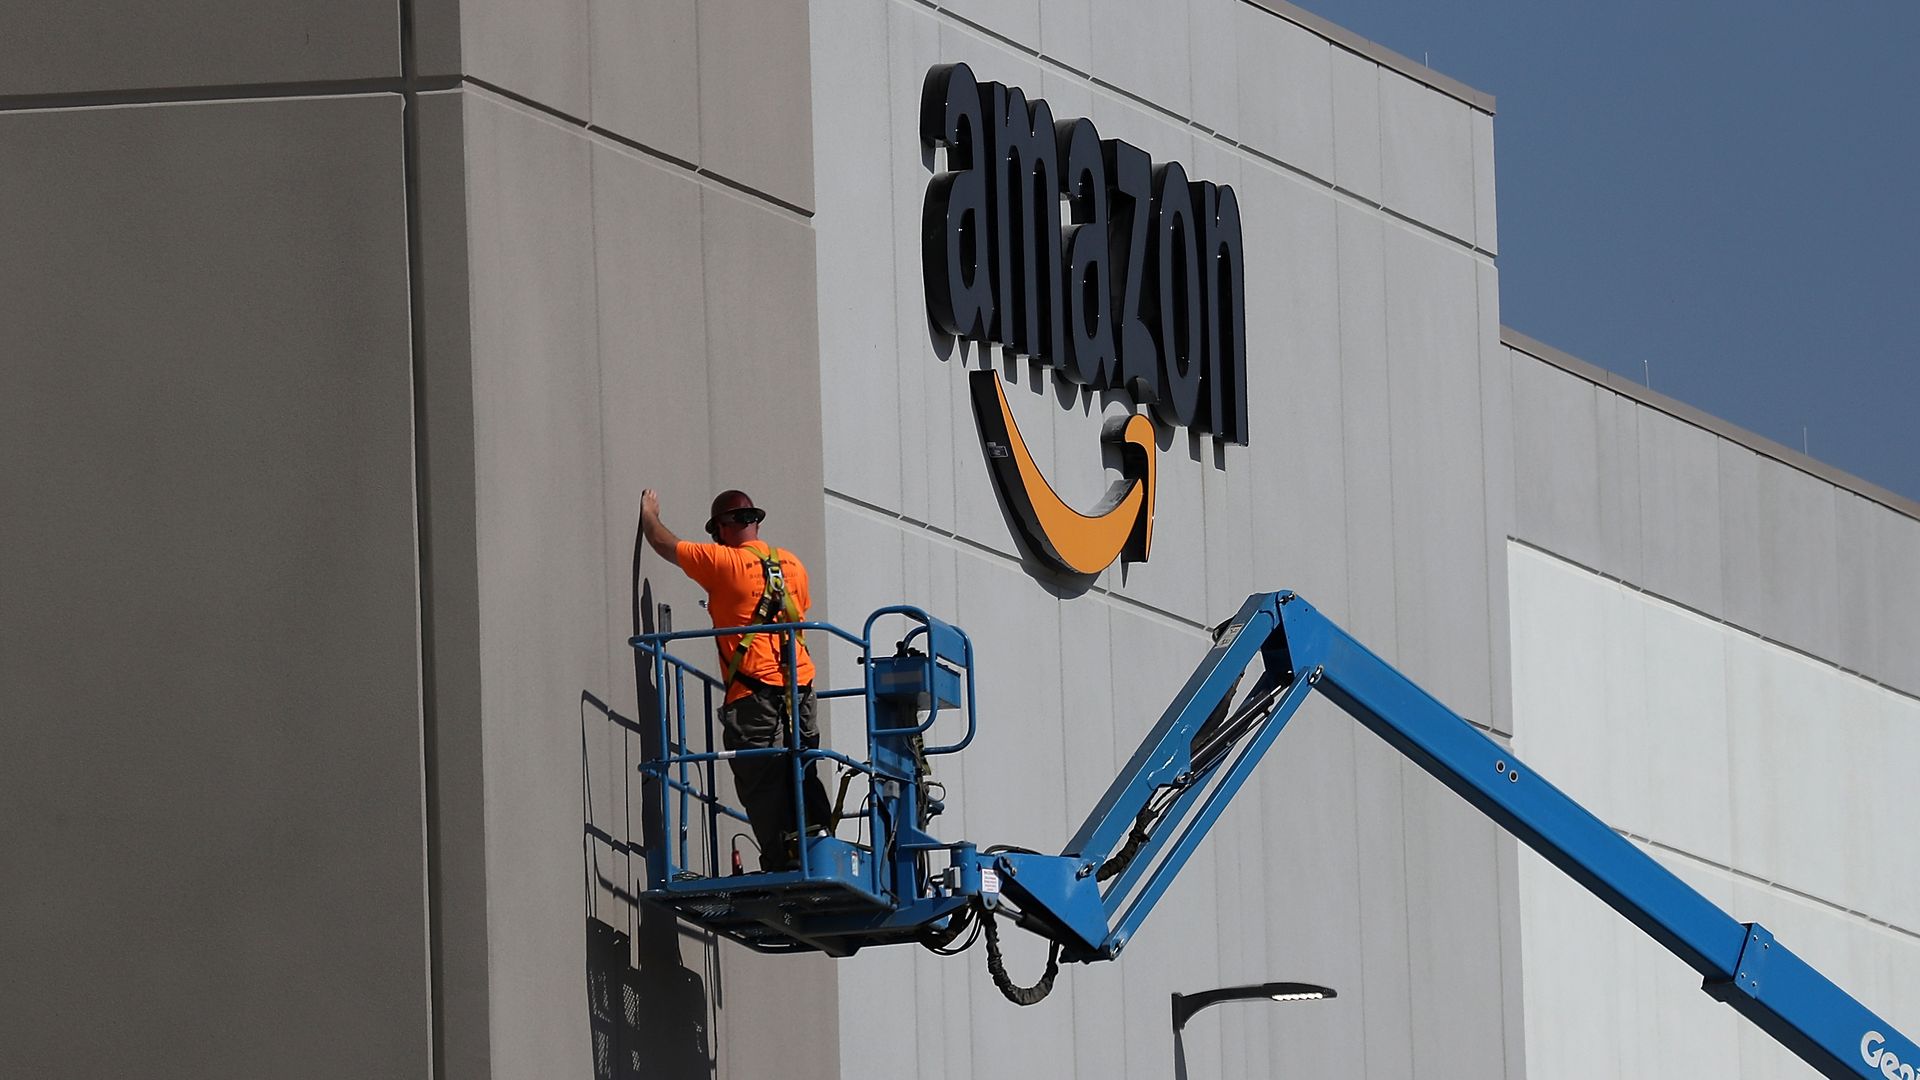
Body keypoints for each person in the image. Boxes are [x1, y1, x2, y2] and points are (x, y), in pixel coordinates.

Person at [639, 487, 831, 871]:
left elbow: (662, 541)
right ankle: (819, 853)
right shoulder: (792, 565)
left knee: (762, 780)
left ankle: (782, 863)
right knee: (803, 769)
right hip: (800, 692)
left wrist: (649, 513)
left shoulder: (721, 562)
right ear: (755, 522)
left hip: (754, 695)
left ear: (723, 529)